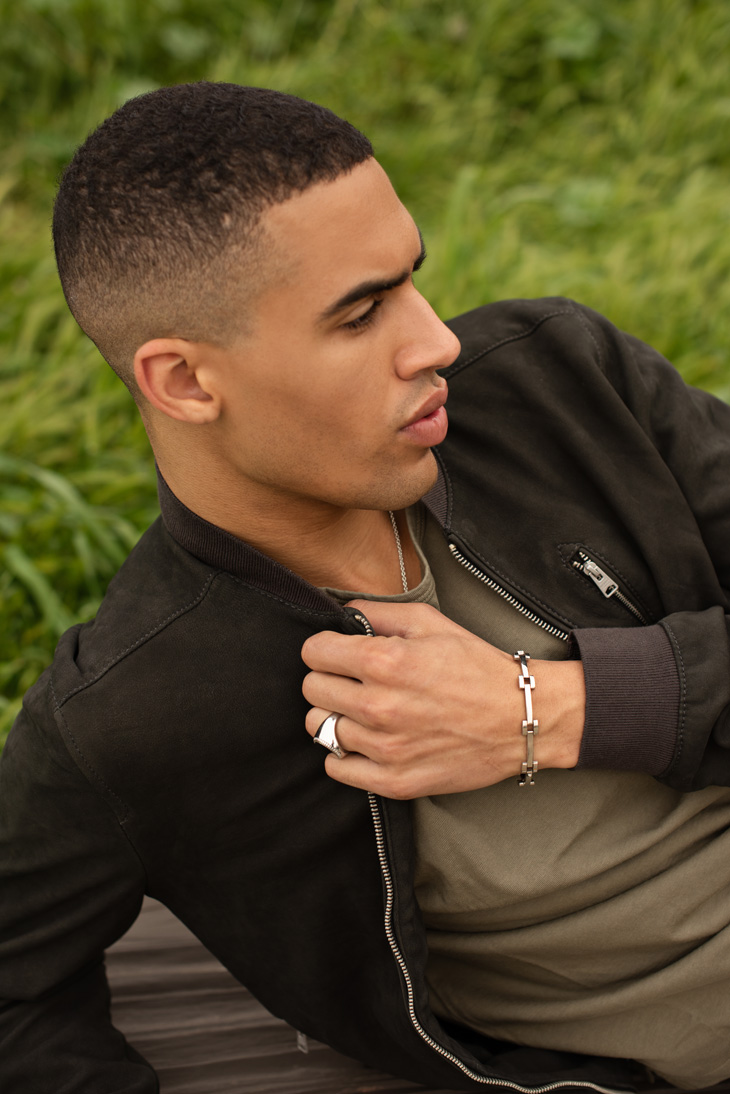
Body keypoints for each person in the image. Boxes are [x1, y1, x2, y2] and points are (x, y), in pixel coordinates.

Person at [1, 81, 730, 1094]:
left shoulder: (563, 382)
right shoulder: (136, 709)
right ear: (185, 382)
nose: (436, 342)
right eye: (360, 314)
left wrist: (557, 707)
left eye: (411, 279)